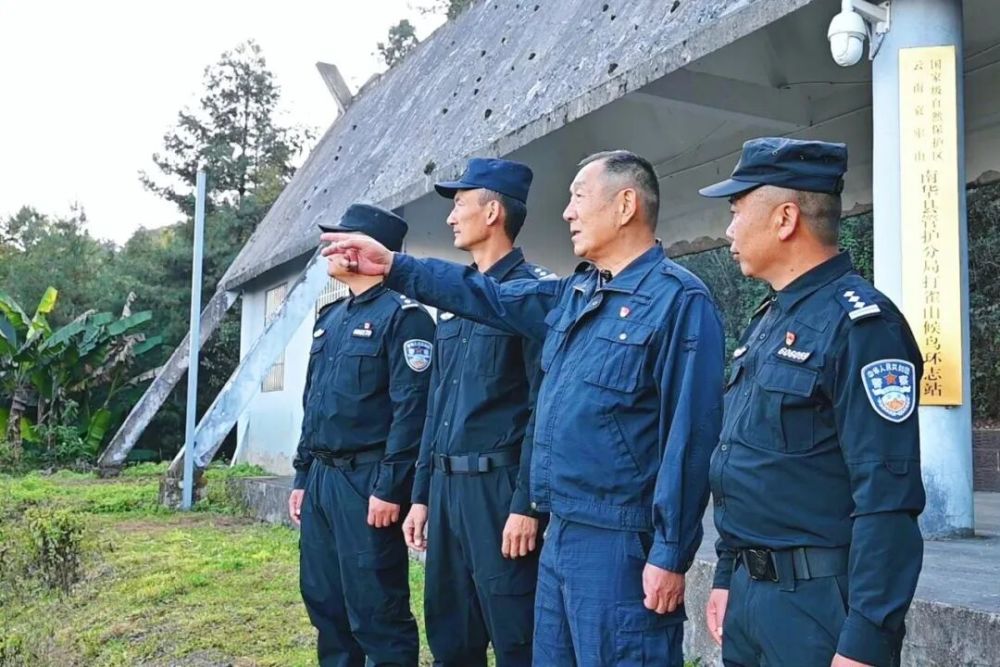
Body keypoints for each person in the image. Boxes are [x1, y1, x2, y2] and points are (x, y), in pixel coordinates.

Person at [322, 150, 725, 667]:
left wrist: (670, 553)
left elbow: (690, 439)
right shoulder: (577, 294)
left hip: (619, 539)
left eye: (578, 197)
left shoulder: (679, 301)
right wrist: (396, 267)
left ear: (625, 205)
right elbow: (485, 296)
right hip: (562, 530)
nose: (567, 212)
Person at [698, 137, 926, 667]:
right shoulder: (768, 321)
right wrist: (728, 573)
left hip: (818, 609)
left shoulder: (863, 327)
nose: (729, 231)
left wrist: (866, 640)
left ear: (785, 219)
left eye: (736, 211)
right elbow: (743, 463)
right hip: (751, 599)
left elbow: (887, 499)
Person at [400, 157, 552, 667]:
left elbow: (541, 412)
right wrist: (421, 495)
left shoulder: (531, 297)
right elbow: (436, 407)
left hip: (498, 492)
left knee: (515, 634)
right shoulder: (455, 300)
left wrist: (527, 505)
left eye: (459, 204)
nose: (450, 217)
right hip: (446, 492)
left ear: (492, 213)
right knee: (450, 632)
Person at [288, 203, 434, 667]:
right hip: (323, 478)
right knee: (324, 600)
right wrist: (302, 476)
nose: (328, 249)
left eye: (339, 240)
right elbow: (314, 404)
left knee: (376, 608)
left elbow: (412, 412)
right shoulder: (331, 316)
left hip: (366, 481)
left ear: (365, 248)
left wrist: (391, 487)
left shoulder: (405, 317)